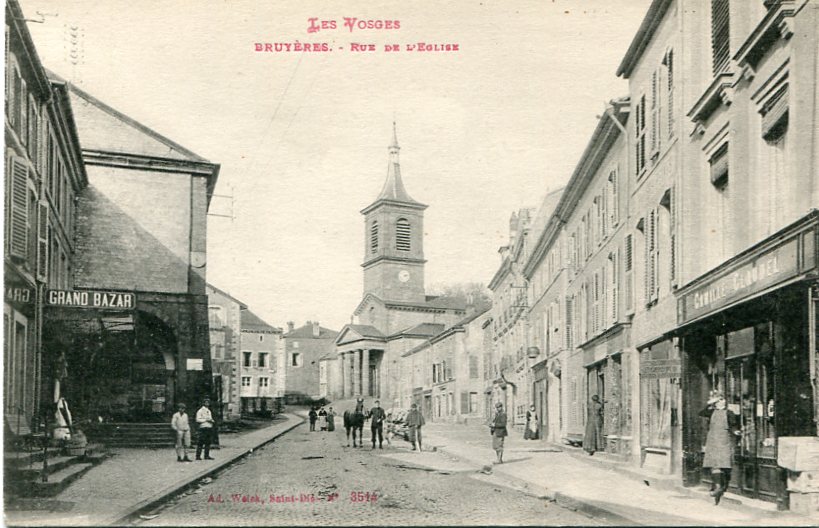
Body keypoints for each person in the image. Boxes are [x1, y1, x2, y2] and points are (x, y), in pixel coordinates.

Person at [700, 390, 740, 505]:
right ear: (716, 403)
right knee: (714, 465)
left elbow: (733, 425)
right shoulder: (711, 412)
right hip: (712, 440)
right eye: (719, 400)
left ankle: (721, 487)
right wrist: (710, 402)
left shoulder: (729, 413)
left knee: (723, 464)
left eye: (722, 400)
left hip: (724, 441)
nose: (722, 402)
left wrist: (735, 431)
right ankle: (718, 487)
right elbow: (701, 412)